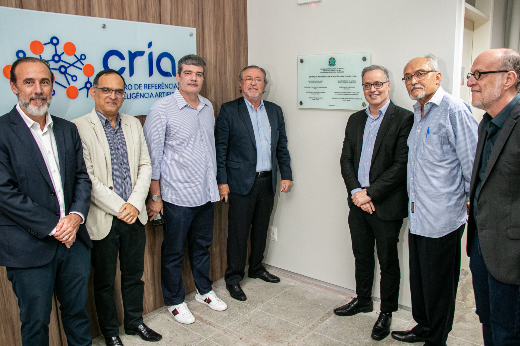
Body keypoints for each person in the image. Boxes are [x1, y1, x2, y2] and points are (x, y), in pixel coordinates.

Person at [0, 57, 92, 346]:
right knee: (36, 323)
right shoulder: (3, 131)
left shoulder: (66, 129)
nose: (38, 89)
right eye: (29, 82)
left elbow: (81, 178)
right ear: (14, 86)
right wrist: (55, 226)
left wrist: (76, 217)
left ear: (52, 87)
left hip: (74, 243)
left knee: (78, 314)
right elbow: (4, 192)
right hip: (28, 248)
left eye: (44, 82)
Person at [391, 55, 478, 346]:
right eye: (407, 77)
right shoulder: (418, 112)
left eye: (420, 74)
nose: (413, 81)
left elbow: (472, 165)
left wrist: (469, 206)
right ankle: (424, 326)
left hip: (442, 218)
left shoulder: (454, 110)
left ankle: (436, 338)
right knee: (421, 281)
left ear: (437, 77)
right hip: (418, 214)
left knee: (440, 285)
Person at [72, 69, 161, 346]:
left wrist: (134, 205)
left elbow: (145, 166)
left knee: (134, 275)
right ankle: (110, 331)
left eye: (119, 91)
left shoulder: (133, 124)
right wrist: (122, 207)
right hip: (103, 218)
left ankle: (134, 322)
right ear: (94, 91)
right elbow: (87, 177)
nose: (113, 96)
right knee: (104, 281)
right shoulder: (78, 127)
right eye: (107, 90)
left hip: (135, 217)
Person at [143, 54, 227, 325]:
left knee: (202, 246)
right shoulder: (162, 109)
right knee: (173, 251)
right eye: (188, 73)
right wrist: (155, 197)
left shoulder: (207, 106)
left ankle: (204, 291)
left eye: (199, 74)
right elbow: (153, 157)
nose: (194, 78)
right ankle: (175, 301)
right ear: (177, 77)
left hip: (205, 193)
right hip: (177, 196)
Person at [337, 65, 413, 340]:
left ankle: (387, 312)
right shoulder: (356, 119)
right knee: (362, 254)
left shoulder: (404, 118)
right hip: (358, 202)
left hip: (387, 205)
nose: (373, 89)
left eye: (378, 83)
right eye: (368, 85)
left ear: (388, 85)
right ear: (363, 88)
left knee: (388, 261)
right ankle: (363, 299)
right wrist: (357, 193)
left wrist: (371, 194)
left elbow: (401, 165)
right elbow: (345, 159)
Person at [215, 65, 293, 301]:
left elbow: (281, 146)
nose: (253, 83)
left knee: (261, 229)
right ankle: (234, 278)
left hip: (267, 181)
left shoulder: (275, 111)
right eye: (248, 79)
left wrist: (287, 174)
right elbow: (220, 149)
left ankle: (257, 268)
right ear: (240, 84)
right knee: (238, 233)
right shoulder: (229, 110)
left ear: (264, 85)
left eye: (258, 79)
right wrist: (222, 182)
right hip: (239, 183)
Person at [466, 48, 520, 345]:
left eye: (479, 74)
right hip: (482, 248)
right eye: (471, 75)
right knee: (489, 323)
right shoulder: (487, 122)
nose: (471, 81)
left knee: (508, 334)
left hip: (512, 256)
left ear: (509, 79)